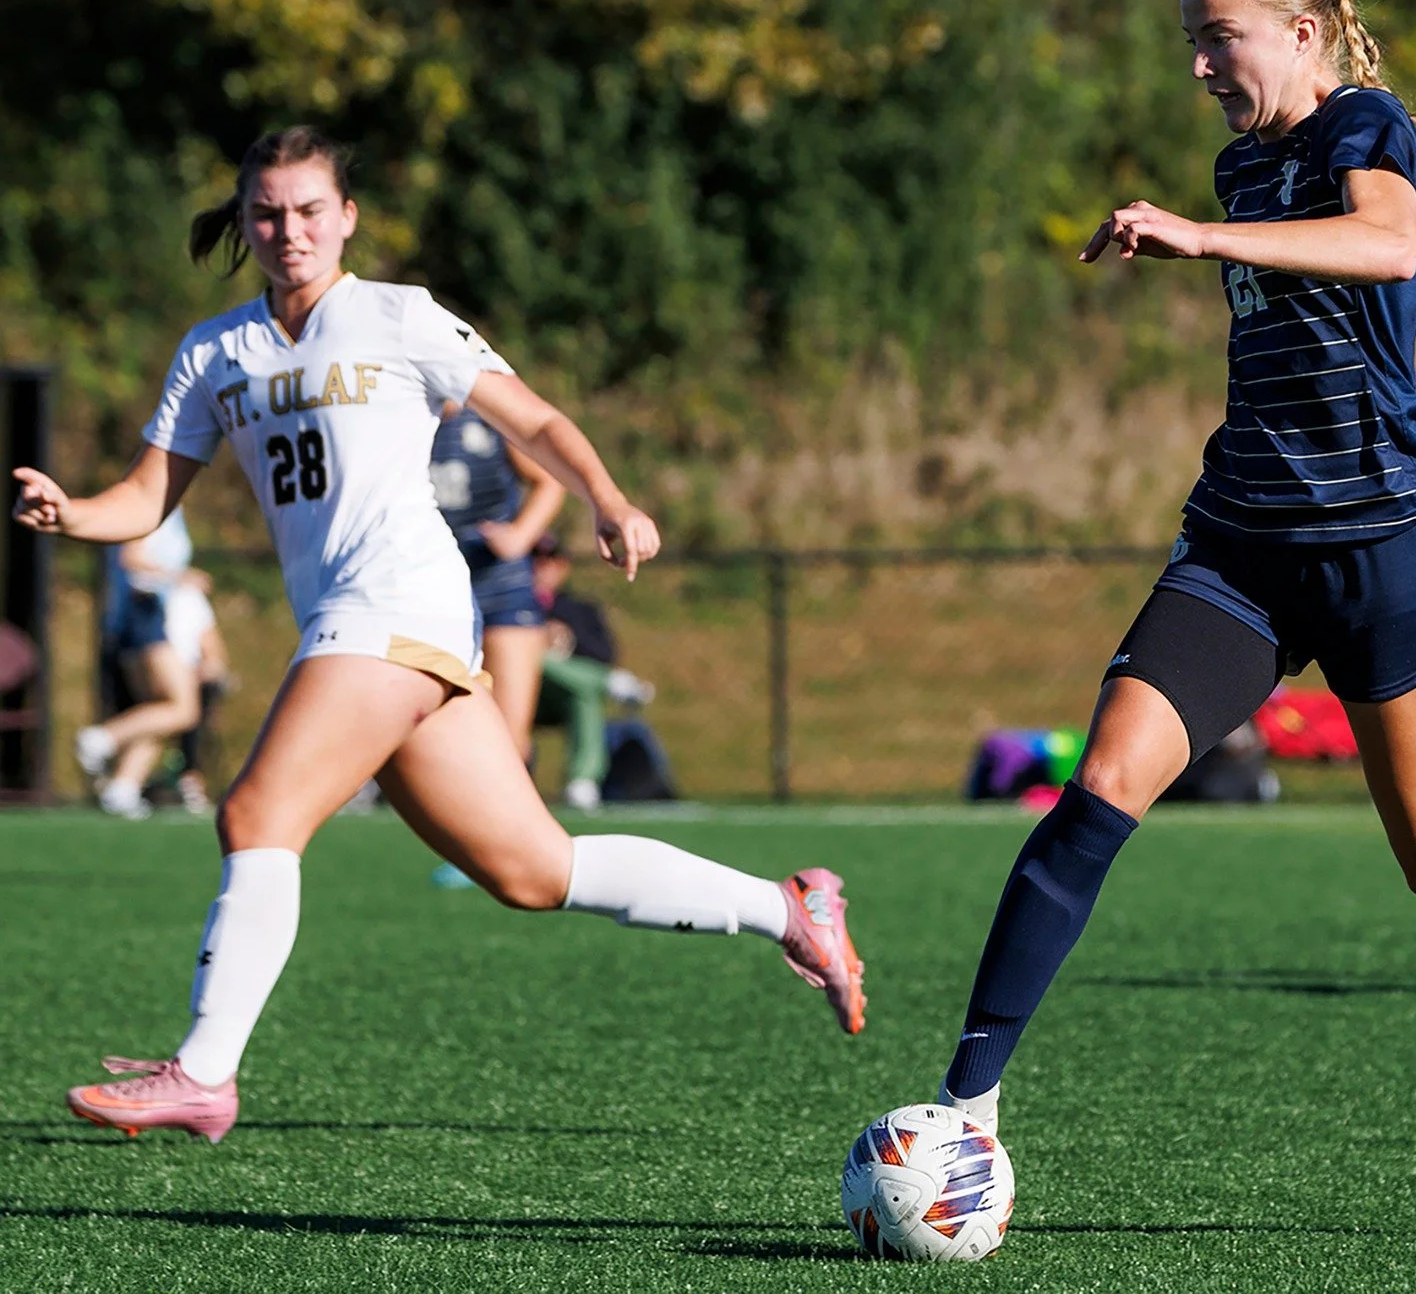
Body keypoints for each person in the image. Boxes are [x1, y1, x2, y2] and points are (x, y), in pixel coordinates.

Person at [931, 0, 1416, 1185]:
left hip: (1388, 550)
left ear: (1303, 33)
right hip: (1242, 551)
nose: (1205, 65)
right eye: (1193, 43)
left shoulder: (1362, 126)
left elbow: (1384, 243)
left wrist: (1207, 242)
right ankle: (965, 1108)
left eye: (1222, 36)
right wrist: (1215, 226)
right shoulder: (1243, 163)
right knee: (1099, 788)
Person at [14, 125, 865, 1145]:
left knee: (255, 814)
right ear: (245, 221)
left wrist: (605, 495)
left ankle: (203, 1073)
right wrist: (73, 512)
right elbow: (147, 497)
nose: (291, 231)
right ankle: (793, 909)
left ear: (348, 219)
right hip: (364, 626)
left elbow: (535, 421)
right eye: (270, 213)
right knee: (533, 872)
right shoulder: (215, 352)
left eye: (311, 210)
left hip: (396, 604)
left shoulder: (397, 317)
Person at [430, 403, 563, 757]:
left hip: (501, 587)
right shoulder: (399, 414)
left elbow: (549, 481)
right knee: (435, 733)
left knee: (508, 739)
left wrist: (520, 535)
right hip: (430, 591)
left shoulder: (489, 412)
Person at [78, 509, 216, 817]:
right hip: (144, 617)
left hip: (144, 618)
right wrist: (181, 576)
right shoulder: (152, 506)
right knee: (183, 708)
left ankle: (123, 788)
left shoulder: (171, 510)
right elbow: (131, 557)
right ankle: (102, 738)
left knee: (159, 709)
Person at [531, 532, 653, 809]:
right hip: (516, 693)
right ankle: (611, 684)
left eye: (550, 561)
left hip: (558, 695)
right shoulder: (507, 605)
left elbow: (603, 653)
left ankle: (582, 781)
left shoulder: (578, 609)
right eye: (534, 560)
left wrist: (567, 639)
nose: (542, 567)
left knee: (583, 694)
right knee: (531, 655)